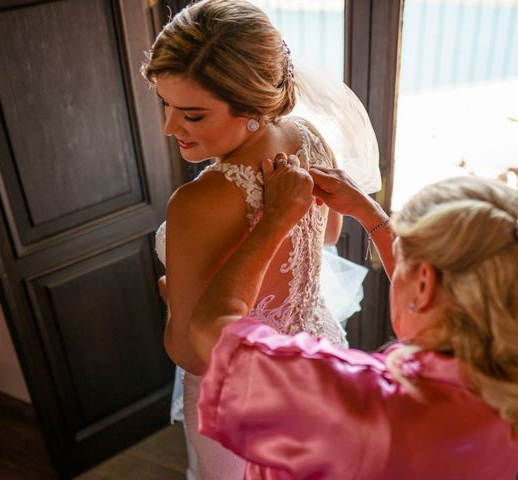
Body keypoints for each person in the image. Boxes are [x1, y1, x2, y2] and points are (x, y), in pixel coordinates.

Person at [183, 155, 518, 479]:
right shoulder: (513, 381)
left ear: (424, 285)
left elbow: (208, 329)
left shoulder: (357, 401)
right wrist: (368, 212)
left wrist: (276, 220)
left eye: (404, 260)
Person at [141, 1, 377, 478]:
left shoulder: (198, 200)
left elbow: (192, 351)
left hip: (239, 392)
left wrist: (172, 300)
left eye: (192, 114)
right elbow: (328, 235)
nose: (170, 127)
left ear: (250, 104)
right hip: (313, 355)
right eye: (166, 105)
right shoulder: (306, 137)